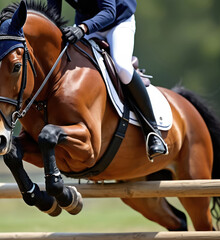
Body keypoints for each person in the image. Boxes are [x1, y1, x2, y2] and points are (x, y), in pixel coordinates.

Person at [47, 0, 168, 160]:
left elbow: (109, 12)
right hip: (88, 23)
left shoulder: (114, 19)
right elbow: (52, 15)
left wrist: (82, 29)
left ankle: (152, 131)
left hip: (118, 21)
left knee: (122, 67)